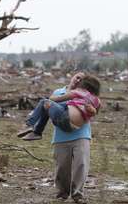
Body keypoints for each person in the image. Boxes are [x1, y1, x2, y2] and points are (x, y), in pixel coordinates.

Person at [17, 72, 101, 203]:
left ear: (85, 85)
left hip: (81, 135)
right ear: (72, 78)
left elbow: (96, 110)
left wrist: (91, 109)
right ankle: (62, 193)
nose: (78, 80)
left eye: (82, 79)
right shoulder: (62, 91)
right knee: (62, 167)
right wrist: (68, 92)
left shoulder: (85, 96)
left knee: (81, 165)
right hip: (61, 134)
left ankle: (78, 194)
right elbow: (53, 101)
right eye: (77, 77)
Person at [20, 74, 100, 139]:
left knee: (44, 102)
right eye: (77, 78)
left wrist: (69, 92)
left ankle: (30, 125)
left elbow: (54, 99)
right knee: (66, 105)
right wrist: (93, 111)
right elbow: (95, 112)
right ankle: (36, 132)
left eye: (80, 80)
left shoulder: (78, 92)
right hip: (75, 127)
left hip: (66, 120)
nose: (78, 81)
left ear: (83, 85)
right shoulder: (96, 100)